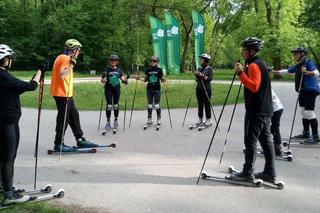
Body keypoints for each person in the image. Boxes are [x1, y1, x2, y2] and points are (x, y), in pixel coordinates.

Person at [0, 44, 42, 204]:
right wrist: (40, 71)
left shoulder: (4, 78)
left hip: (2, 122)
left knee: (2, 157)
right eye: (9, 58)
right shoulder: (4, 76)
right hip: (8, 123)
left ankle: (4, 186)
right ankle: (9, 195)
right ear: (5, 60)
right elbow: (30, 86)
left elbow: (17, 89)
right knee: (9, 157)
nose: (11, 61)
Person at [232, 37, 276, 182]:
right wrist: (244, 70)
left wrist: (240, 74)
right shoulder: (258, 63)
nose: (242, 52)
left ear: (251, 51)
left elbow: (254, 86)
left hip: (256, 110)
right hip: (265, 109)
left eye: (244, 50)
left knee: (250, 139)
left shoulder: (254, 65)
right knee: (266, 140)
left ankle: (247, 172)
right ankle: (270, 172)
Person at [50, 39, 97, 152]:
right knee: (64, 118)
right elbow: (62, 75)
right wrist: (72, 65)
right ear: (73, 50)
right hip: (62, 94)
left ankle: (80, 139)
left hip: (65, 93)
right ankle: (58, 143)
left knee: (73, 116)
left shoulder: (60, 57)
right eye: (78, 50)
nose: (79, 52)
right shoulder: (66, 58)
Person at [288, 47, 320, 143]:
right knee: (303, 112)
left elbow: (317, 73)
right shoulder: (299, 64)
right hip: (302, 91)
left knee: (309, 112)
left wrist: (306, 72)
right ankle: (306, 132)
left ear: (302, 54)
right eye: (294, 54)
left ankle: (315, 136)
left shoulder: (308, 62)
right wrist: (274, 71)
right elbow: (289, 70)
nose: (294, 55)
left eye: (296, 54)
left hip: (310, 90)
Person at [101, 54, 128, 131]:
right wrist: (104, 79)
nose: (113, 62)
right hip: (108, 89)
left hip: (116, 89)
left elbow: (122, 79)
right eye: (111, 60)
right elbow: (102, 80)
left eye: (114, 60)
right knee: (109, 105)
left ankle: (116, 121)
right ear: (109, 61)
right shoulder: (106, 70)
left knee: (116, 105)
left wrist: (125, 80)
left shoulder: (119, 70)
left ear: (117, 62)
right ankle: (108, 122)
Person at [144, 55, 165, 125]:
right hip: (149, 89)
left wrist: (163, 80)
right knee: (149, 105)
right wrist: (139, 78)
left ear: (157, 62)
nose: (152, 62)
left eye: (154, 61)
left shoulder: (159, 70)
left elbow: (162, 79)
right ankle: (149, 118)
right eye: (151, 61)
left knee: (157, 105)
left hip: (157, 89)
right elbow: (145, 79)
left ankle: (159, 118)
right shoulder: (148, 69)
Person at [194, 53, 213, 126]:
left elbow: (209, 79)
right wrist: (196, 76)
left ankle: (208, 119)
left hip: (206, 89)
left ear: (205, 60)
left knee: (207, 104)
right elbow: (197, 78)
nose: (200, 60)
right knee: (200, 104)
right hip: (199, 88)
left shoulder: (209, 69)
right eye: (200, 59)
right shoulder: (199, 68)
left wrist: (202, 75)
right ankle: (200, 118)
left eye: (201, 59)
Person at [270, 89, 284, 156]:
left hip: (276, 109)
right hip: (276, 108)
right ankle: (275, 144)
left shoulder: (264, 87)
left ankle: (278, 148)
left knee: (275, 128)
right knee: (273, 128)